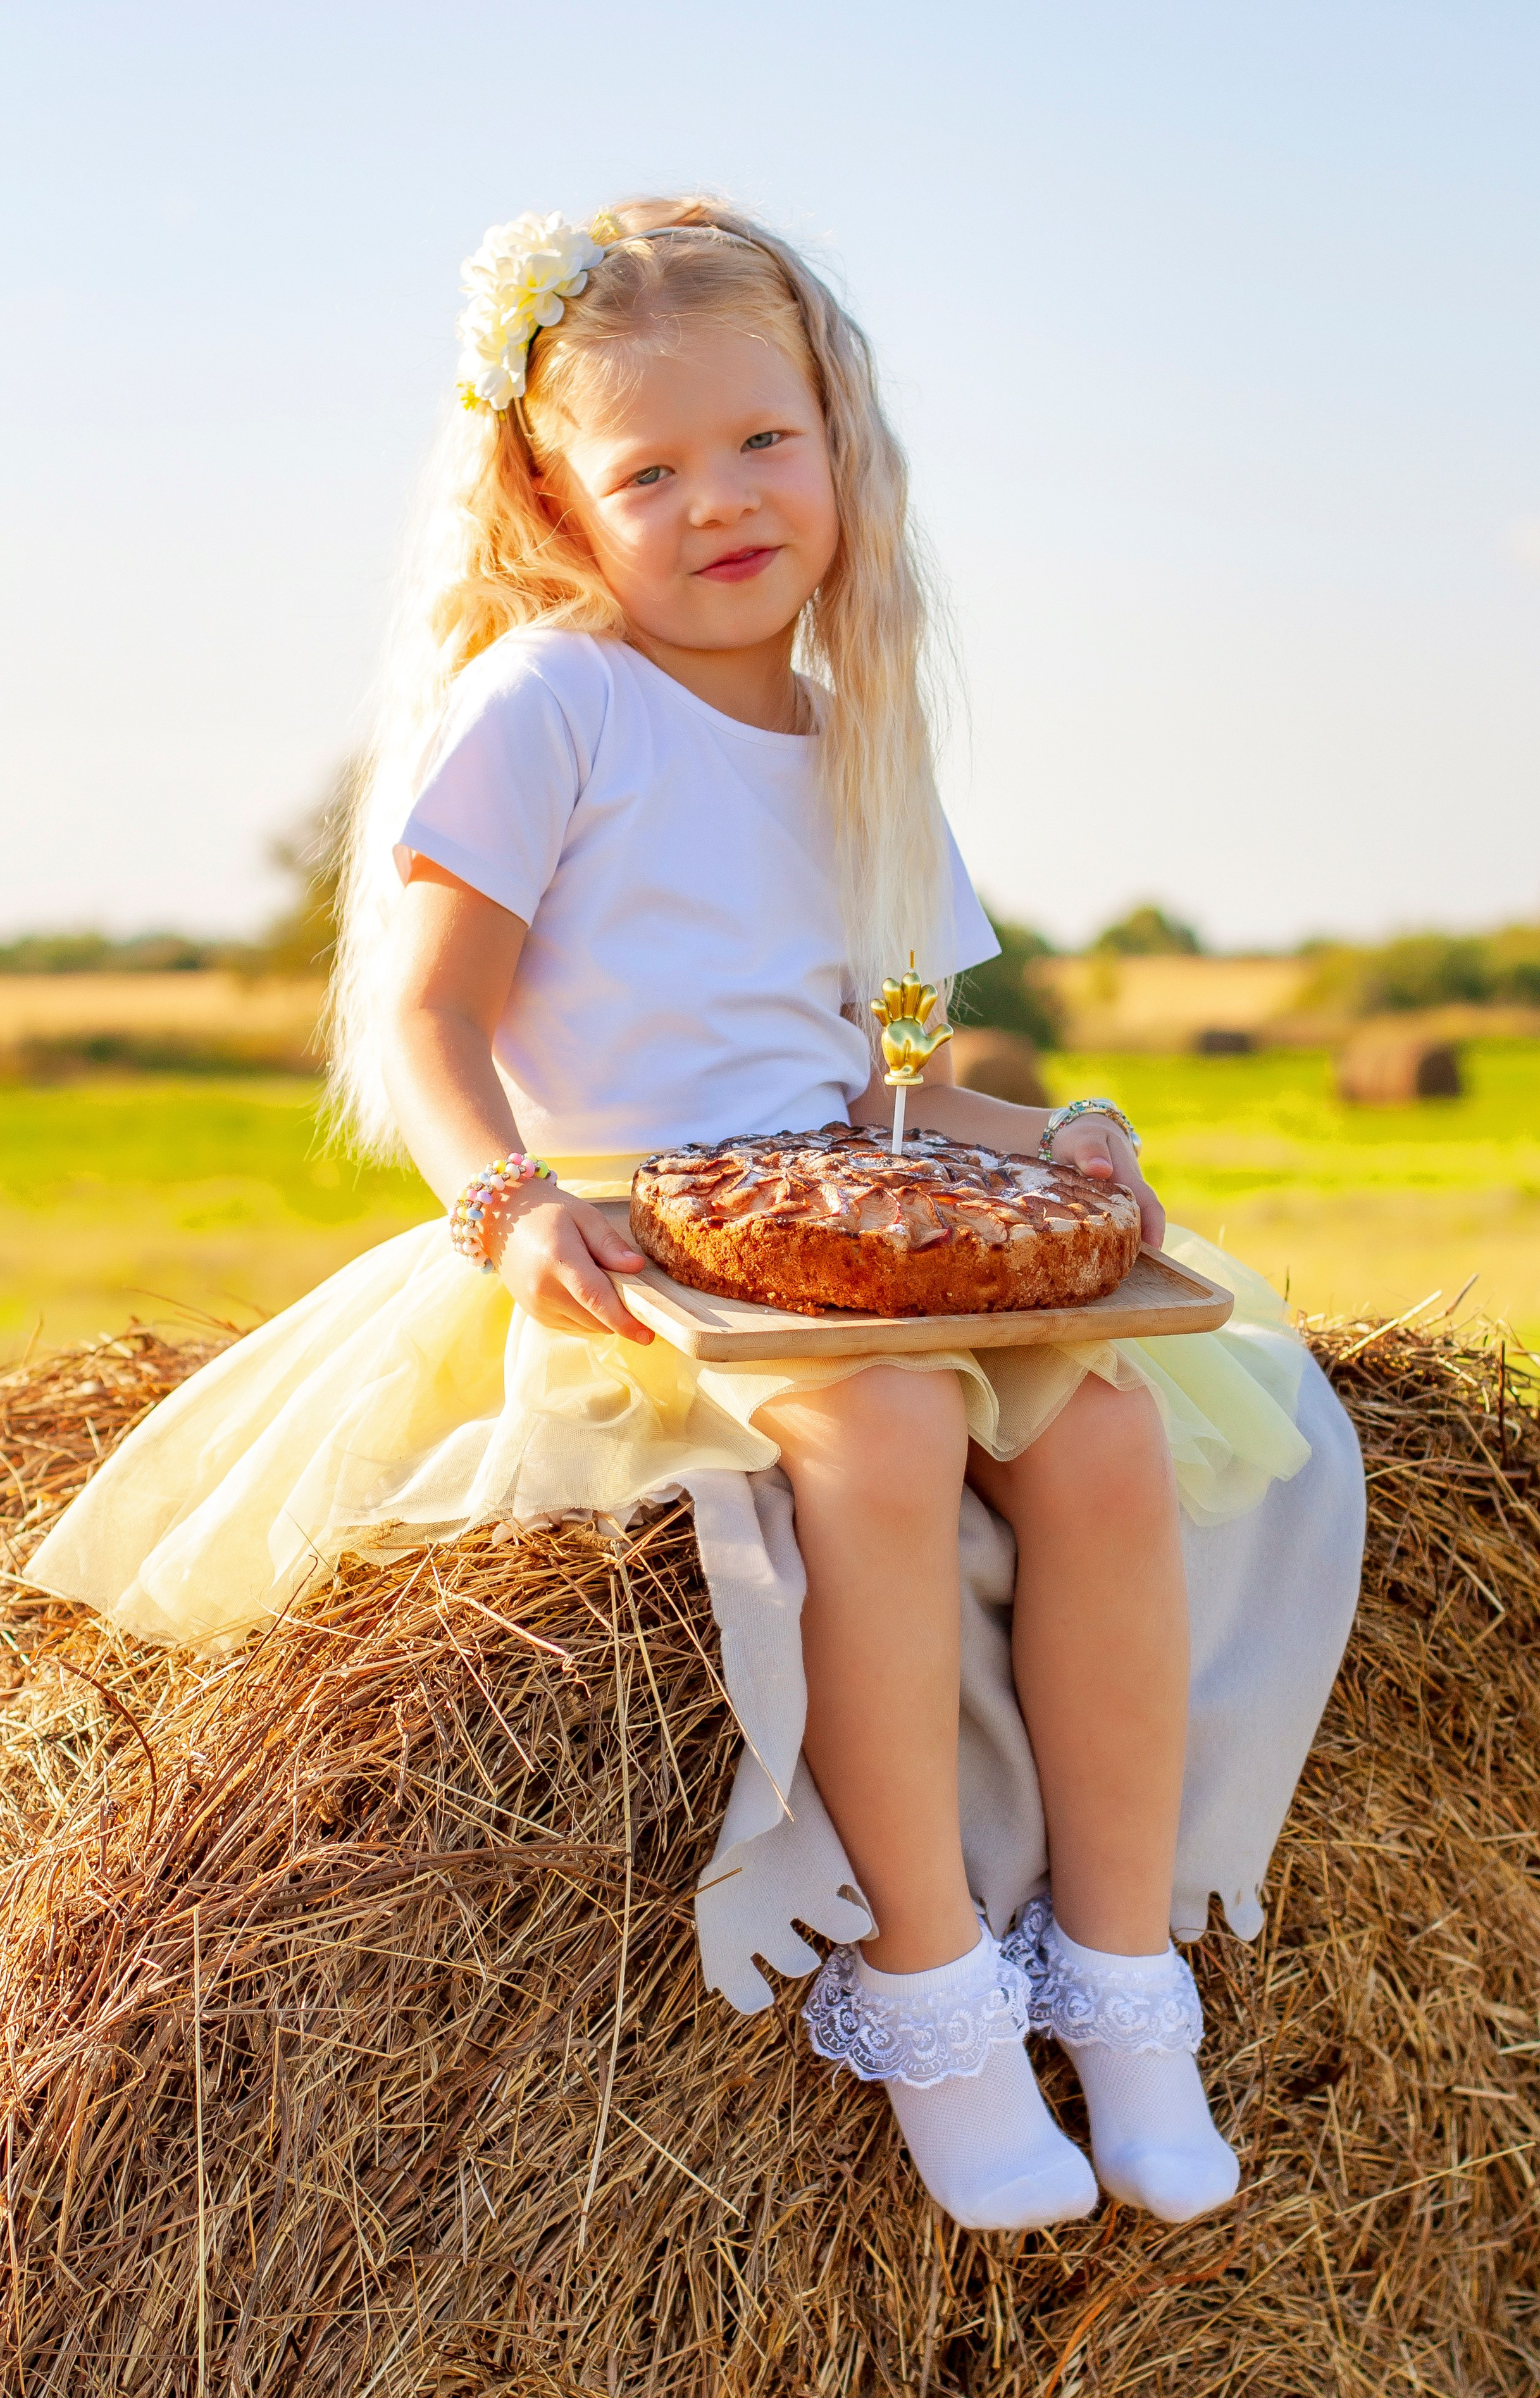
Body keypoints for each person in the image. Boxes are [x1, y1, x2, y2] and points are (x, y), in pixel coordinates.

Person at [31, 198, 1325, 2235]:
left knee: (1103, 1430)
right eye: (650, 470)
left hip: (850, 1219)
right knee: (889, 1435)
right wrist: (507, 1205)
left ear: (839, 441)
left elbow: (882, 1085)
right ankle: (931, 1989)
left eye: (761, 445)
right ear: (552, 497)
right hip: (628, 1239)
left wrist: (1046, 1128)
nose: (719, 502)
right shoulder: (553, 701)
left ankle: (1127, 1977)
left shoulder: (857, 736)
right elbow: (433, 1024)